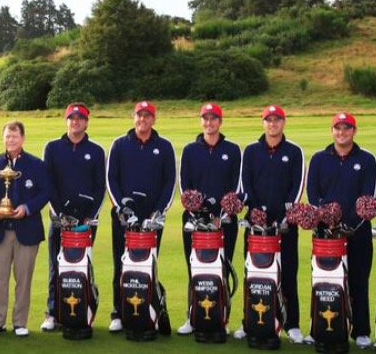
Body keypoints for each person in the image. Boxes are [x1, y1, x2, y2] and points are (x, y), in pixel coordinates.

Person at [305, 113, 376, 348]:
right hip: (326, 235)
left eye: (347, 128)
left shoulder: (367, 159)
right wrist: (327, 220)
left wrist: (349, 224)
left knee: (358, 281)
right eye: (338, 128)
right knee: (324, 282)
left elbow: (368, 197)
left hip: (357, 232)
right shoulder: (319, 159)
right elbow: (313, 193)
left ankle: (361, 331)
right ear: (332, 131)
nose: (342, 132)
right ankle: (319, 328)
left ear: (354, 131)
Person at [105, 101, 176, 332]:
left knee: (149, 264)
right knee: (121, 263)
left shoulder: (164, 146)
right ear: (133, 117)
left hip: (152, 217)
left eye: (147, 116)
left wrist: (159, 211)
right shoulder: (119, 144)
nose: (143, 119)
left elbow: (169, 182)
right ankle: (118, 312)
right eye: (139, 115)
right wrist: (122, 209)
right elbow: (111, 179)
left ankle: (149, 309)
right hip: (124, 216)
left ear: (154, 119)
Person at [238, 105, 307, 343]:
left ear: (283, 123)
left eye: (277, 120)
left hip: (285, 225)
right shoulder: (251, 151)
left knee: (288, 274)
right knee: (253, 275)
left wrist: (284, 216)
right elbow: (246, 184)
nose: (273, 124)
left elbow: (297, 187)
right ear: (263, 123)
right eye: (269, 120)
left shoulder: (294, 151)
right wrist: (257, 212)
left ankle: (292, 324)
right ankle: (249, 322)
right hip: (256, 226)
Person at [0, 121, 52, 338]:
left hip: (27, 229)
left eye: (15, 136)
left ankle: (20, 322)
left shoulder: (36, 165)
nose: (10, 140)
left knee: (24, 278)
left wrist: (27, 208)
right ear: (3, 138)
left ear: (23, 138)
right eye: (7, 136)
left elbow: (45, 192)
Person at [39, 103, 106, 332]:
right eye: (72, 118)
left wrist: (90, 216)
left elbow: (100, 187)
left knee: (83, 265)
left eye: (80, 118)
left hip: (86, 222)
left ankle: (83, 309)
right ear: (66, 121)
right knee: (55, 266)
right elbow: (48, 184)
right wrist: (60, 214)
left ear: (86, 122)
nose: (75, 122)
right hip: (60, 219)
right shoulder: (52, 148)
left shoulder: (96, 151)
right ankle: (53, 312)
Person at [176, 103, 241, 335]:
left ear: (220, 122)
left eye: (214, 118)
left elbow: (237, 186)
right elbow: (185, 186)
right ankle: (192, 316)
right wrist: (197, 214)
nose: (209, 122)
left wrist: (222, 216)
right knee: (194, 268)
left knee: (222, 270)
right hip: (194, 220)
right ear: (200, 121)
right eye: (205, 118)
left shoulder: (232, 150)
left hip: (225, 221)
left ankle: (222, 318)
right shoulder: (190, 150)